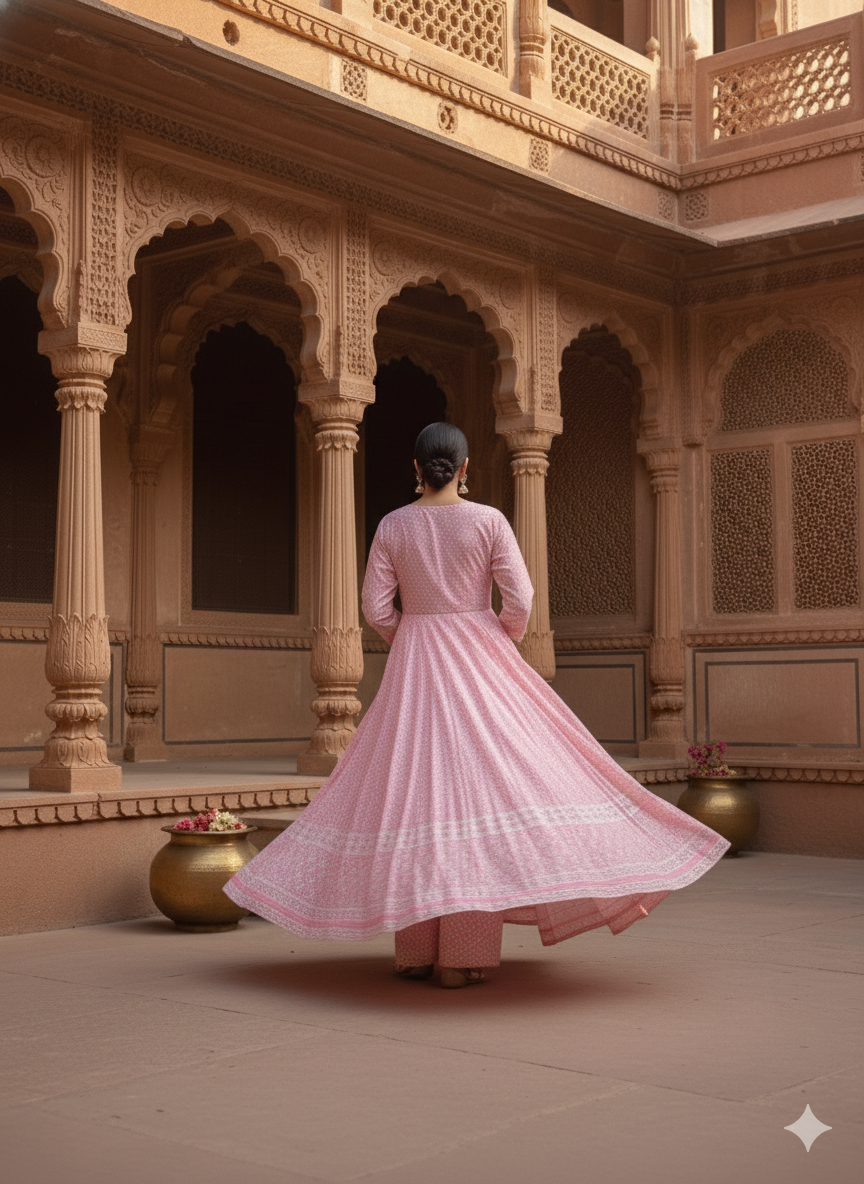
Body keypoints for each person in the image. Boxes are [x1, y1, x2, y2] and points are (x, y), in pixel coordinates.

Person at [224, 423, 730, 988]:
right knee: (478, 795)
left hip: (415, 663)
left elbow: (374, 607)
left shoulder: (394, 524)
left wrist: (413, 635)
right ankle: (463, 958)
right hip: (479, 657)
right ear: (465, 469)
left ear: (416, 469)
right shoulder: (487, 520)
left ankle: (414, 951)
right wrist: (494, 636)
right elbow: (522, 598)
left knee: (416, 797)